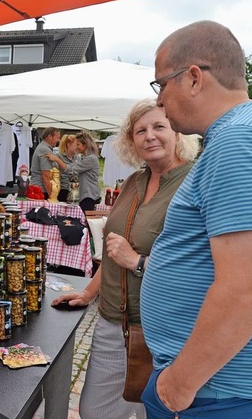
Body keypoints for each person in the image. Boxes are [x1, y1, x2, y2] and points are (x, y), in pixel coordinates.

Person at [140, 21, 252, 419]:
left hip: (220, 390)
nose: (161, 100)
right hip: (228, 384)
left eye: (160, 85)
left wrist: (177, 386)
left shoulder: (244, 141)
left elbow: (247, 290)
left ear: (194, 78)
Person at [51, 99, 199, 419]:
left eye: (159, 126)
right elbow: (114, 251)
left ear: (177, 132)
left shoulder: (195, 184)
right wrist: (89, 292)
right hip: (112, 324)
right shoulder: (134, 182)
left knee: (155, 413)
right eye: (140, 131)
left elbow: (202, 267)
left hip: (161, 331)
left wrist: (138, 262)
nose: (149, 136)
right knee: (95, 412)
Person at [46, 131, 101, 213]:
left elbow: (70, 169)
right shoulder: (85, 158)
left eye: (78, 144)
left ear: (85, 145)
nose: (77, 147)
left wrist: (57, 159)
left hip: (89, 196)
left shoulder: (91, 159)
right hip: (85, 195)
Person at [29, 126, 61, 199]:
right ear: (49, 136)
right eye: (57, 138)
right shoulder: (45, 150)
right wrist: (52, 197)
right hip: (41, 190)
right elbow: (46, 175)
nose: (58, 140)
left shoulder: (43, 148)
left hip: (39, 189)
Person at [57, 134, 78, 202]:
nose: (77, 148)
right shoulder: (58, 157)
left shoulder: (77, 158)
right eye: (76, 145)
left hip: (75, 190)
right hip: (63, 190)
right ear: (68, 145)